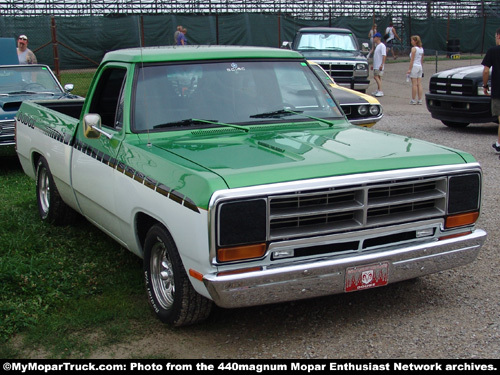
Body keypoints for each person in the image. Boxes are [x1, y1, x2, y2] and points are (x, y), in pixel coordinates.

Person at [482, 27, 500, 153]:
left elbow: (486, 70)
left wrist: (485, 85)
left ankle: (499, 143)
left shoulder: (493, 51)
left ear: (498, 36)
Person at [407, 35, 424, 105]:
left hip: (414, 66)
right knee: (419, 84)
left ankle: (413, 99)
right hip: (419, 66)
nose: (411, 42)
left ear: (415, 41)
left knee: (414, 84)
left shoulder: (414, 49)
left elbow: (412, 60)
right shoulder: (421, 49)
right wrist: (422, 68)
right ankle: (420, 99)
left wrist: (409, 69)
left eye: (412, 40)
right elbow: (421, 59)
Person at [371, 32, 386, 97]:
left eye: (374, 37)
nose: (373, 39)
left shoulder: (382, 46)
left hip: (379, 65)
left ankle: (380, 90)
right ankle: (378, 89)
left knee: (376, 77)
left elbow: (384, 55)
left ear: (377, 38)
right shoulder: (377, 46)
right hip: (376, 65)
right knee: (378, 77)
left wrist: (382, 64)